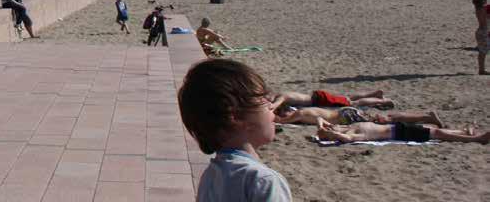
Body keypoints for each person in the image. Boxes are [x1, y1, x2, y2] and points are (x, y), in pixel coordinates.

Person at [178, 59, 292, 201]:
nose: (271, 104)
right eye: (262, 98)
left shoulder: (211, 176)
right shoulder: (263, 181)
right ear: (236, 117)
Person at [315, 117, 489, 145]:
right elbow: (345, 139)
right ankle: (476, 139)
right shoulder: (351, 134)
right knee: (438, 134)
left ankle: (464, 131)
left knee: (433, 130)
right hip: (399, 134)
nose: (332, 126)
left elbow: (320, 120)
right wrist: (330, 134)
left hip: (399, 128)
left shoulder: (349, 126)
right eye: (331, 129)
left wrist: (322, 127)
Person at [275, 106, 443, 127]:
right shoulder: (304, 110)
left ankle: (427, 117)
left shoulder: (299, 113)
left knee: (388, 120)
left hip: (344, 117)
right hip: (345, 112)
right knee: (388, 117)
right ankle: (425, 116)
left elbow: (282, 121)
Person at [270, 89, 394, 109]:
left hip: (318, 100)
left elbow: (275, 104)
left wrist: (272, 106)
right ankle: (375, 93)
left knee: (351, 103)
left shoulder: (281, 96)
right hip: (317, 96)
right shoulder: (282, 93)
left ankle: (383, 101)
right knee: (347, 98)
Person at [472, 0, 488, 75]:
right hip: (484, 32)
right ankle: (481, 70)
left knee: (482, 52)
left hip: (480, 31)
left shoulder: (478, 9)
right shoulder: (484, 9)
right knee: (483, 52)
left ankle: (481, 69)